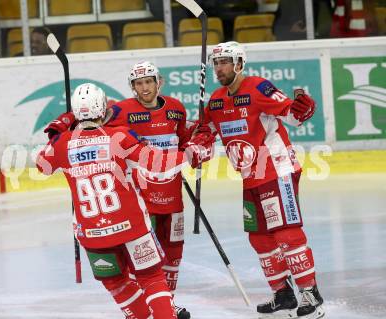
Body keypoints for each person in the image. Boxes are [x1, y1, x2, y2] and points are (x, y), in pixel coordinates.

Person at [36, 83, 212, 319]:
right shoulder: (118, 136)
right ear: (102, 110)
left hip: (93, 234)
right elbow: (157, 164)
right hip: (133, 228)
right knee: (151, 278)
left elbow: (42, 164)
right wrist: (190, 154)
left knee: (117, 284)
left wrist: (61, 127)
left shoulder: (61, 145)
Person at [199, 41, 325, 319]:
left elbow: (292, 115)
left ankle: (310, 292)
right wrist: (198, 144)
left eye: (225, 62)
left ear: (240, 63)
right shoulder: (216, 99)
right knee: (259, 238)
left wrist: (301, 108)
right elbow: (205, 132)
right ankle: (283, 294)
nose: (219, 68)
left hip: (276, 170)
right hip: (250, 177)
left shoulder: (258, 87)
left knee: (286, 234)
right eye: (216, 63)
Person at [104, 61, 214, 319]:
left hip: (172, 194)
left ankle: (167, 305)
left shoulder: (175, 108)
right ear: (132, 87)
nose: (144, 88)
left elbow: (183, 141)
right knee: (143, 257)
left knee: (173, 253)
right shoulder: (120, 110)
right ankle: (144, 307)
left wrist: (198, 140)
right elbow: (102, 134)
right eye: (138, 83)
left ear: (159, 82)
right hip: (141, 199)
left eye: (148, 82)